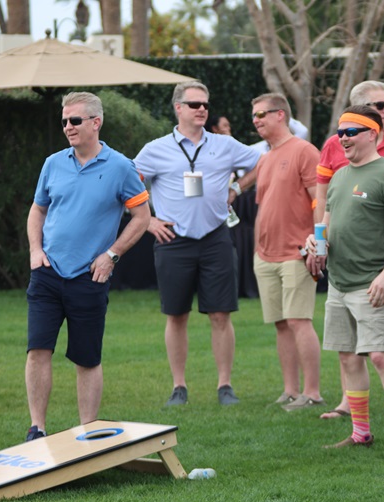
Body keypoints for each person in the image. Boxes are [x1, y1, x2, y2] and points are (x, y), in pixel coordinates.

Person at [25, 92, 150, 440]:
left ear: (96, 122)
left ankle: (87, 432)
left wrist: (112, 254)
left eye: (75, 120)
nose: (68, 127)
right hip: (48, 273)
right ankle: (37, 428)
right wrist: (36, 250)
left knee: (87, 358)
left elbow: (142, 217)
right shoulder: (53, 163)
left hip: (89, 276)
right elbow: (38, 209)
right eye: (64, 121)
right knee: (37, 350)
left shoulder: (121, 167)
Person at [306, 105, 384, 458]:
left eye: (351, 132)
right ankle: (361, 433)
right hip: (339, 283)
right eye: (340, 132)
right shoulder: (340, 175)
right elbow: (326, 219)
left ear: (372, 133)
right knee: (347, 357)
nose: (342, 138)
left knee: (379, 356)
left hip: (371, 282)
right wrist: (315, 244)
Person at [134, 81, 261, 406]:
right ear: (178, 108)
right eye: (194, 104)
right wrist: (147, 221)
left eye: (204, 104)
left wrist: (237, 188)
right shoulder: (156, 149)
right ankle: (179, 387)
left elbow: (261, 162)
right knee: (176, 315)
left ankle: (225, 387)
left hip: (216, 237)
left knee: (221, 314)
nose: (202, 109)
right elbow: (126, 184)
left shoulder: (225, 144)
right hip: (173, 240)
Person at [243, 92, 323, 410]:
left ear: (281, 115)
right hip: (265, 255)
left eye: (261, 114)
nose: (256, 120)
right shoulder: (265, 158)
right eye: (254, 116)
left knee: (299, 320)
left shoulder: (304, 151)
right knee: (281, 323)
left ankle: (313, 392)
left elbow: (320, 201)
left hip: (296, 252)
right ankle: (290, 390)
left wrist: (318, 243)